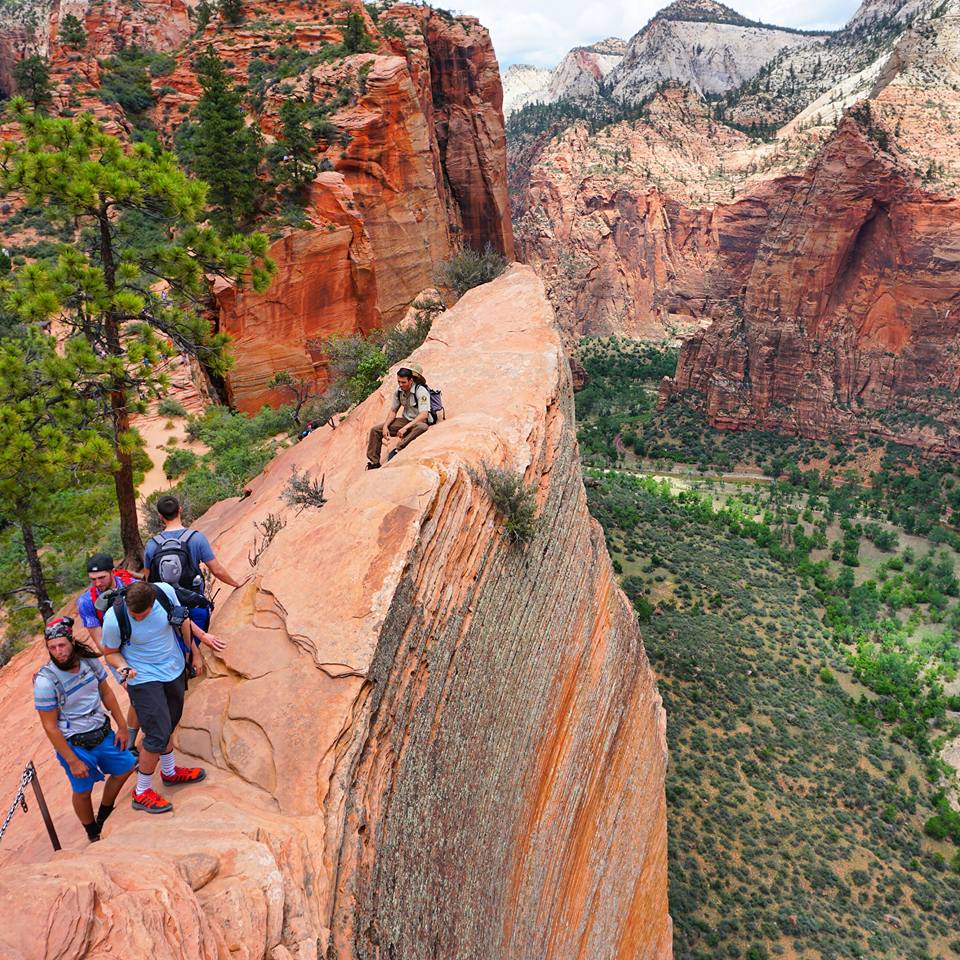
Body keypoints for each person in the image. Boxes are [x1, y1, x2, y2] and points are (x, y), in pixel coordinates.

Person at [102, 581, 205, 814]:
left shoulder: (164, 593)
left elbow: (183, 621)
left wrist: (191, 653)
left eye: (142, 615)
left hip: (173, 667)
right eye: (134, 615)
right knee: (157, 734)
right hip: (142, 677)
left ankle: (169, 772)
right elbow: (109, 652)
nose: (137, 618)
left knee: (169, 723)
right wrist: (123, 668)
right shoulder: (114, 617)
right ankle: (141, 792)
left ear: (152, 603)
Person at [34, 617, 137, 842]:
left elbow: (106, 692)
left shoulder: (89, 662)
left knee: (126, 766)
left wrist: (121, 726)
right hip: (75, 743)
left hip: (101, 730)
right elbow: (50, 726)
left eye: (62, 645)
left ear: (71, 641)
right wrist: (71, 760)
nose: (58, 651)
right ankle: (92, 832)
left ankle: (105, 813)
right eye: (52, 648)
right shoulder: (45, 682)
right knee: (83, 789)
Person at [144, 495, 239, 649]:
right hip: (195, 604)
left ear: (160, 516)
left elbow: (149, 580)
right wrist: (237, 584)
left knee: (179, 651)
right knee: (198, 650)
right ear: (180, 510)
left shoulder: (152, 545)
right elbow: (216, 570)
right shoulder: (196, 538)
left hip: (168, 611)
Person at [76, 553, 141, 747]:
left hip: (141, 645)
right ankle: (130, 744)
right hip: (115, 651)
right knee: (137, 694)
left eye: (101, 577)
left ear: (113, 572)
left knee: (145, 693)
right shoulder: (87, 602)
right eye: (93, 579)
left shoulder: (130, 585)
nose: (97, 583)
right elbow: (99, 640)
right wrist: (120, 665)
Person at [366, 366, 431, 470]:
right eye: (399, 382)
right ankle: (374, 463)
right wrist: (385, 426)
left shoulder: (421, 391)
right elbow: (393, 411)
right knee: (375, 430)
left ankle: (398, 448)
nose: (400, 385)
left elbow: (424, 415)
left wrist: (406, 428)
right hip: (405, 420)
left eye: (403, 382)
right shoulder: (399, 391)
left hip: (417, 422)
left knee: (422, 427)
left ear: (411, 380)